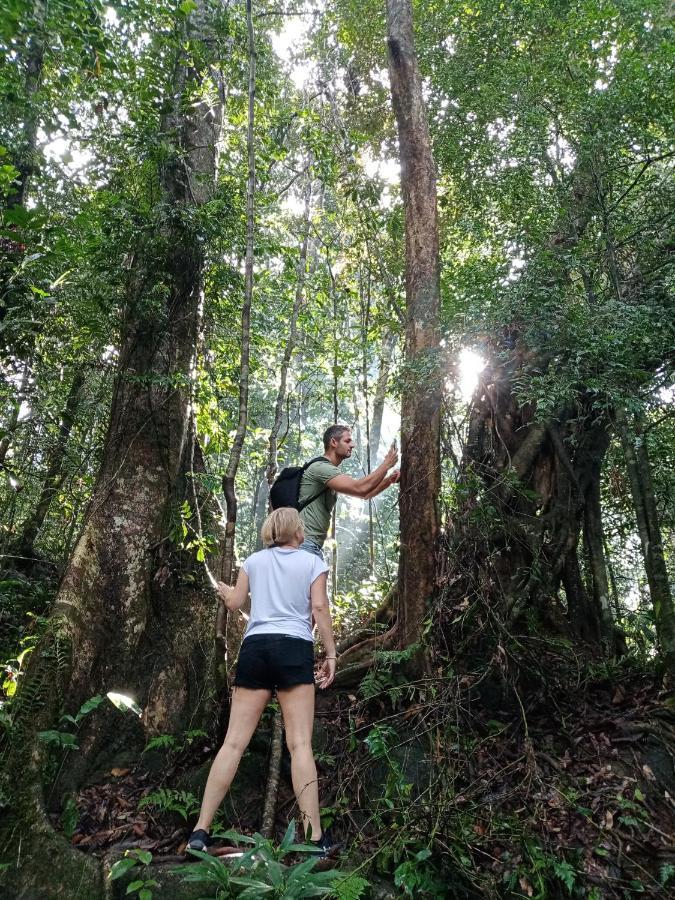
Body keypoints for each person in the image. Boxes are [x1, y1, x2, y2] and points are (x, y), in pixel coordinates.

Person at [186, 507, 337, 855]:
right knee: (300, 744)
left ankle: (200, 831)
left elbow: (237, 602)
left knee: (233, 743)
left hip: (256, 647)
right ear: (297, 531)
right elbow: (318, 609)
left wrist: (225, 592)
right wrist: (330, 654)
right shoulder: (312, 562)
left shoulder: (253, 561)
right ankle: (314, 839)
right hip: (294, 647)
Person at [299, 424, 400, 558]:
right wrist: (386, 464)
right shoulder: (321, 467)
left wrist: (389, 480)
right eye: (347, 441)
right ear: (333, 442)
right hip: (304, 544)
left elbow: (366, 494)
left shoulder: (329, 470)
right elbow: (360, 489)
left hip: (310, 545)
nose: (352, 445)